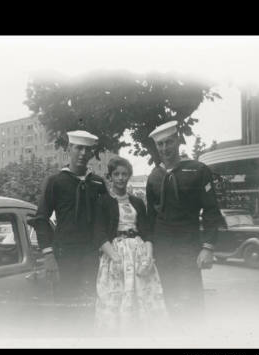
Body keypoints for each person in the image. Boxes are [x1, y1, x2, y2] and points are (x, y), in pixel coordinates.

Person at [146, 121, 223, 328]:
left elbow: (211, 210)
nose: (164, 148)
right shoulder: (154, 176)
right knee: (167, 301)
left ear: (178, 141)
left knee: (192, 301)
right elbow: (150, 216)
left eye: (168, 142)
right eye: (160, 144)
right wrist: (150, 249)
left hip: (188, 247)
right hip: (163, 249)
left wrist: (208, 247)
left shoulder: (198, 170)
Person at [33, 130, 108, 308]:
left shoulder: (97, 183)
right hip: (65, 256)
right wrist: (49, 255)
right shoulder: (55, 181)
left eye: (87, 149)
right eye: (78, 148)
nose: (83, 153)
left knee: (93, 307)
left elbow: (106, 219)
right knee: (66, 309)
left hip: (92, 256)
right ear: (69, 149)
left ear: (91, 153)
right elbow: (41, 219)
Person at [93, 156, 168, 335]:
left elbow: (147, 232)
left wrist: (149, 256)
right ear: (110, 176)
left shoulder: (137, 202)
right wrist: (115, 257)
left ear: (129, 176)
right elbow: (99, 233)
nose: (120, 178)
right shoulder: (103, 201)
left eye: (124, 174)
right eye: (116, 174)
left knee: (142, 297)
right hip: (115, 254)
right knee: (116, 298)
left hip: (138, 254)